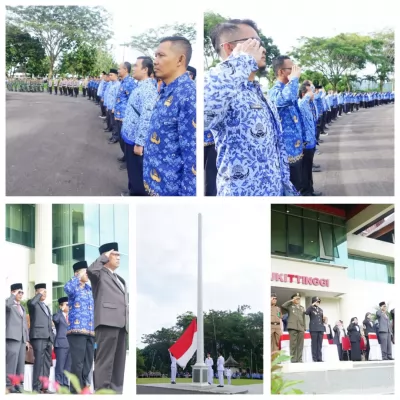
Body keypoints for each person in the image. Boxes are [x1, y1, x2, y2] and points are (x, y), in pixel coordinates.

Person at [205, 20, 297, 196]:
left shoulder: (258, 92)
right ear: (229, 48)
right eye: (255, 42)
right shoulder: (224, 90)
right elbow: (203, 113)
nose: (263, 49)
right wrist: (241, 61)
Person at [143, 36, 196, 196]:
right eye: (155, 56)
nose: (155, 61)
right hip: (154, 184)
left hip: (170, 193)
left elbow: (193, 159)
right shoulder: (167, 90)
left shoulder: (189, 95)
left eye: (161, 55)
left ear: (180, 59)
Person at [87, 242, 128, 393]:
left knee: (118, 364)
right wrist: (103, 257)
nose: (118, 257)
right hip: (107, 322)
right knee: (104, 361)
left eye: (119, 255)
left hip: (121, 324)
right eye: (115, 254)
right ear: (106, 256)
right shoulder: (99, 274)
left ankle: (115, 392)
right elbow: (91, 270)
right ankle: (102, 392)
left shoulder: (119, 279)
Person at [121, 56, 158, 196]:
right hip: (130, 136)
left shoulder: (148, 90)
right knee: (132, 170)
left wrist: (139, 143)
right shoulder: (140, 86)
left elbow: (146, 118)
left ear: (145, 70)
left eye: (136, 66)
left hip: (135, 140)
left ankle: (136, 196)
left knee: (137, 172)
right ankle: (132, 191)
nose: (133, 68)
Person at [269, 56, 305, 192]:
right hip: (286, 152)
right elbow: (286, 99)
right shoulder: (274, 91)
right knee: (291, 189)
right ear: (281, 72)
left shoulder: (289, 88)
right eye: (291, 68)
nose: (295, 71)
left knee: (298, 185)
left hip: (297, 148)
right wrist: (294, 79)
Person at [64, 261, 95, 392]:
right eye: (85, 272)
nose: (88, 275)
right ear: (78, 273)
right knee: (78, 363)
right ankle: (76, 391)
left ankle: (84, 389)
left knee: (88, 363)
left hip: (90, 331)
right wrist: (78, 276)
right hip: (76, 331)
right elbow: (67, 288)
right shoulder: (73, 287)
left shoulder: (89, 289)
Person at [28, 283, 55, 394]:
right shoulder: (33, 304)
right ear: (37, 292)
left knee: (46, 363)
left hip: (48, 338)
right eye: (42, 291)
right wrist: (39, 294)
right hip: (38, 336)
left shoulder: (46, 306)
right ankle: (36, 387)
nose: (44, 294)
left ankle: (44, 387)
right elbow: (32, 302)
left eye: (45, 292)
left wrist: (52, 338)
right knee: (39, 362)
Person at [111, 63, 136, 172]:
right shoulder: (123, 81)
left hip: (124, 117)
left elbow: (132, 101)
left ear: (125, 69)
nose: (118, 70)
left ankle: (129, 161)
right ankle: (126, 156)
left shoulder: (129, 82)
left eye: (119, 69)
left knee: (126, 141)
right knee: (122, 140)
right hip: (119, 115)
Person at [6, 283, 30, 394]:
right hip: (12, 337)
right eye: (18, 292)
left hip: (22, 339)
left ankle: (19, 385)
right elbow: (6, 305)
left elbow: (24, 324)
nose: (20, 294)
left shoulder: (22, 307)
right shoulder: (8, 304)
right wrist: (12, 295)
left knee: (20, 363)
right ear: (13, 292)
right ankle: (9, 385)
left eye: (22, 292)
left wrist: (27, 340)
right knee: (12, 362)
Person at [52, 297, 71, 389]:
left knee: (68, 366)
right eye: (66, 304)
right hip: (61, 344)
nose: (68, 306)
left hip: (70, 344)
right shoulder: (58, 315)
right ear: (61, 306)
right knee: (60, 365)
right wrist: (61, 310)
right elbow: (55, 320)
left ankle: (65, 384)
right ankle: (59, 384)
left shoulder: (71, 316)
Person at [280, 293, 305, 363]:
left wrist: (304, 327)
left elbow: (303, 318)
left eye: (299, 298)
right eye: (296, 298)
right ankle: (293, 359)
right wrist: (291, 301)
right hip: (292, 327)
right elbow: (283, 306)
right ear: (293, 299)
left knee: (300, 344)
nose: (298, 299)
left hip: (301, 327)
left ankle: (299, 359)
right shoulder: (290, 306)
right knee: (293, 344)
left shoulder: (302, 308)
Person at [305, 296, 324, 362]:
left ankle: (319, 358)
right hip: (314, 328)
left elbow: (321, 319)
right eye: (317, 301)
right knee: (314, 344)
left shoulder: (321, 310)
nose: (318, 303)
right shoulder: (311, 308)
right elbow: (306, 313)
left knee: (320, 344)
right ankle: (315, 358)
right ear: (313, 302)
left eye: (319, 301)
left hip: (320, 328)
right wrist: (311, 305)